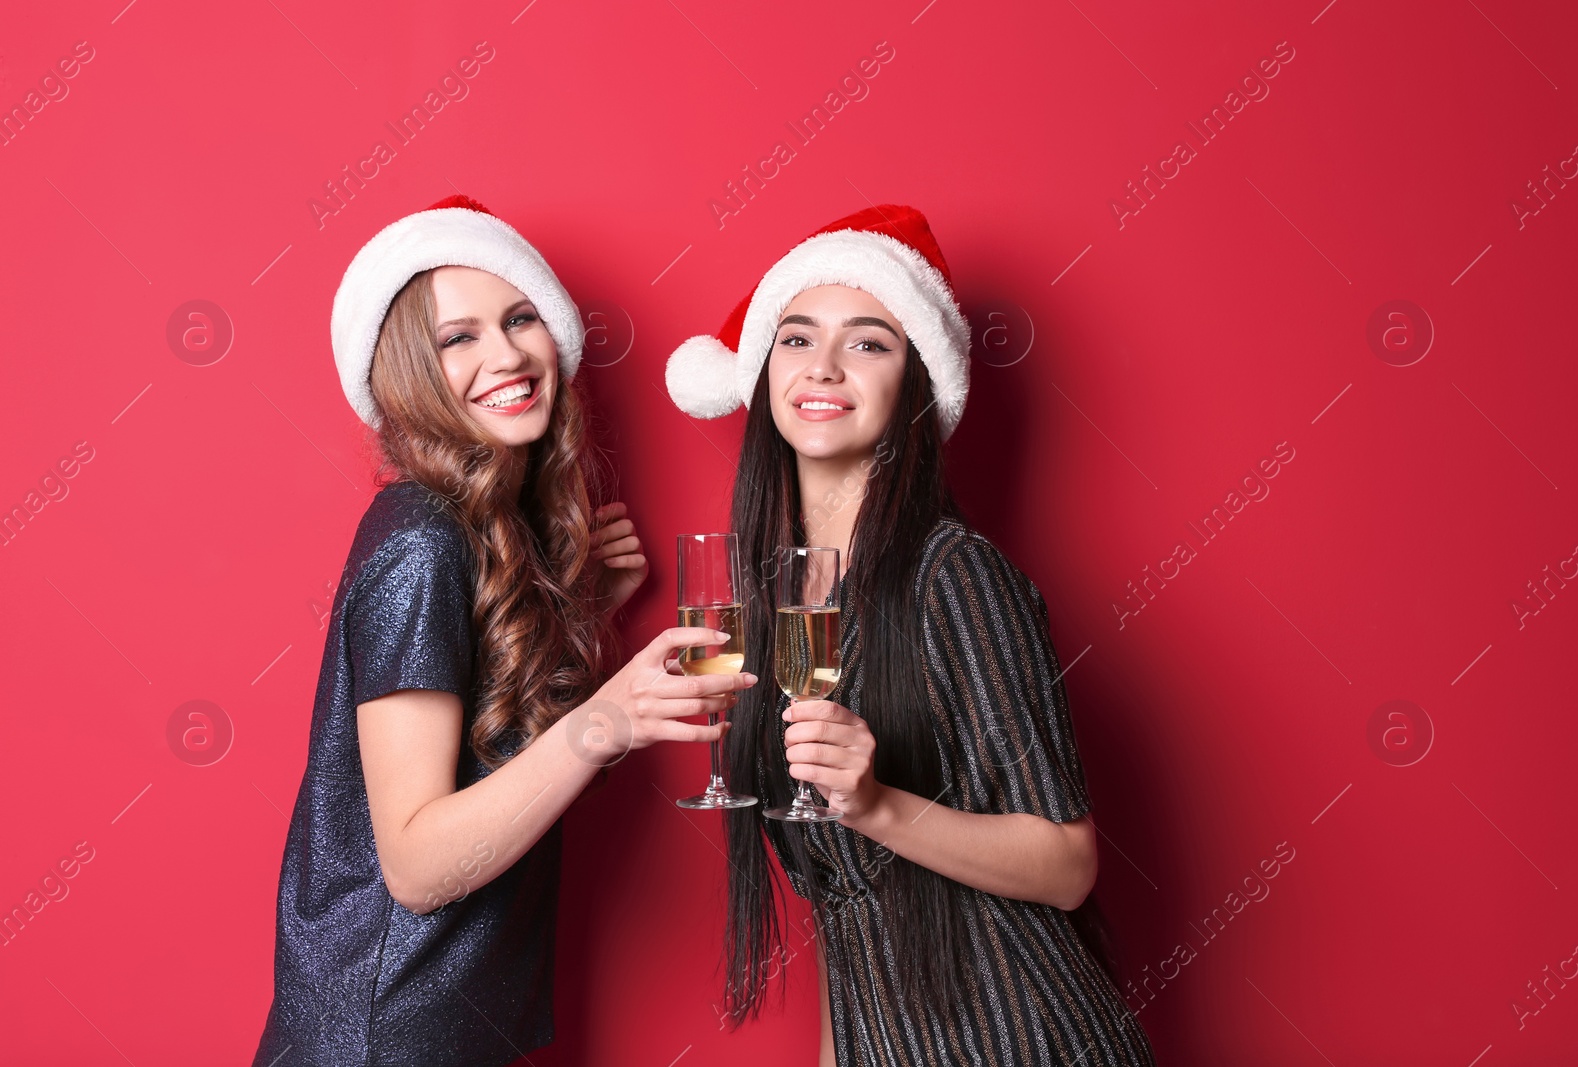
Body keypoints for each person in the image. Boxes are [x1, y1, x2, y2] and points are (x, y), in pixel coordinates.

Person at [253, 195, 755, 1067]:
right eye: (460, 337)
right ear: (409, 370)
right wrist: (610, 717)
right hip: (384, 1038)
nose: (508, 353)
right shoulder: (421, 540)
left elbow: (500, 768)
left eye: (520, 317)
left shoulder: (487, 537)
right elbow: (414, 863)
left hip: (446, 1029)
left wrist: (582, 614)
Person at [664, 205, 1157, 1065]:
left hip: (1021, 1041)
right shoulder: (791, 603)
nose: (823, 365)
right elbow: (840, 904)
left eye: (867, 343)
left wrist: (879, 804)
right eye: (796, 338)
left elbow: (1067, 860)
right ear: (761, 370)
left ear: (915, 383)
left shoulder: (952, 573)